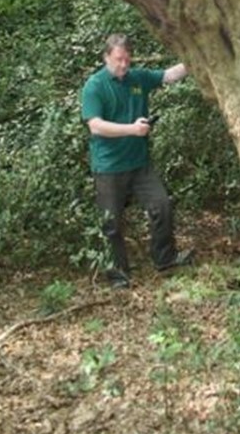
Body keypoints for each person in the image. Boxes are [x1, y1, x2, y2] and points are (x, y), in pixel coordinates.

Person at [81, 33, 194, 288]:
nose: (123, 65)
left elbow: (168, 75)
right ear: (106, 57)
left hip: (139, 164)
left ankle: (165, 259)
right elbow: (96, 126)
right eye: (118, 59)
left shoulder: (137, 78)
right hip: (109, 167)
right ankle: (118, 276)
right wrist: (131, 129)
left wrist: (196, 58)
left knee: (161, 205)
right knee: (111, 223)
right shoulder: (95, 86)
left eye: (127, 60)